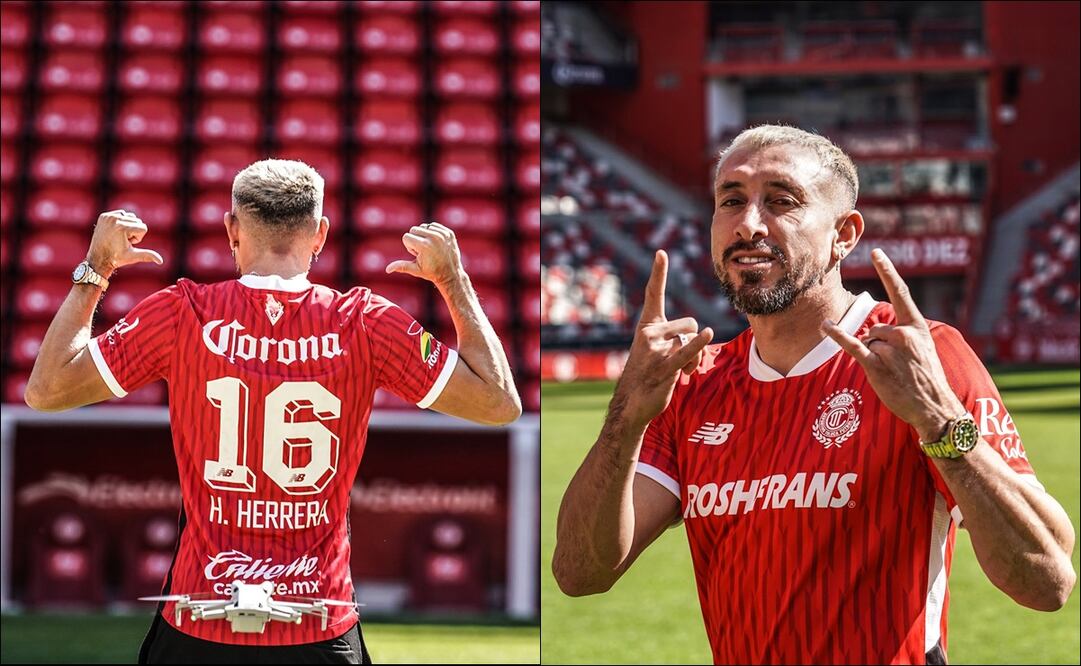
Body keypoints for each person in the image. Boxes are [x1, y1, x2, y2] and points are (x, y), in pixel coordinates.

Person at [553, 125, 1076, 665]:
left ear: (844, 234)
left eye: (782, 201)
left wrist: (939, 420)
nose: (749, 223)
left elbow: (1047, 582)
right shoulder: (691, 383)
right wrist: (626, 417)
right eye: (731, 200)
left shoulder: (920, 357)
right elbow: (579, 573)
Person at [25, 159, 521, 664]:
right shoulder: (366, 322)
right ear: (321, 234)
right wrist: (453, 280)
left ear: (231, 229)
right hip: (318, 624)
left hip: (200, 620)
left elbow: (46, 390)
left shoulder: (182, 312)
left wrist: (96, 270)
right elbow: (499, 402)